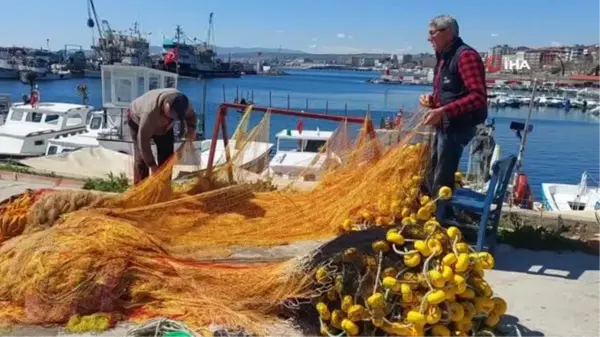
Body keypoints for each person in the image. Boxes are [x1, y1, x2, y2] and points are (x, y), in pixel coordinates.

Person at [420, 15, 488, 199]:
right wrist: (433, 100)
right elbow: (451, 92)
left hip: (458, 126)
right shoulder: (445, 57)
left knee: (442, 178)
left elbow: (478, 97)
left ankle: (440, 220)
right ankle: (433, 215)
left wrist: (443, 111)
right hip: (445, 124)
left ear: (448, 32)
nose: (429, 38)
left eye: (432, 33)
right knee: (431, 173)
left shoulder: (465, 56)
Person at [128, 88, 197, 184]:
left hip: (165, 128)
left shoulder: (184, 104)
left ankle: (164, 186)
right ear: (166, 105)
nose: (171, 118)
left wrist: (191, 129)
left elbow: (192, 116)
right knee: (142, 160)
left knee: (167, 157)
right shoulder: (149, 113)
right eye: (170, 115)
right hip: (137, 121)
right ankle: (140, 188)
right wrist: (152, 165)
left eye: (174, 118)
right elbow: (143, 142)